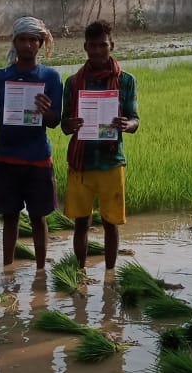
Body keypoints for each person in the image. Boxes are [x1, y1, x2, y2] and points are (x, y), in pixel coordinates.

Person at [59, 20, 139, 271]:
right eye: (92, 46)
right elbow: (63, 125)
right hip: (81, 163)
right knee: (81, 223)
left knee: (110, 223)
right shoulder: (73, 83)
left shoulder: (126, 81)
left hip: (111, 160)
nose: (97, 51)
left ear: (111, 45)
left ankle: (110, 274)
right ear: (85, 47)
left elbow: (135, 119)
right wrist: (70, 124)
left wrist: (127, 125)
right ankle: (80, 271)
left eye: (102, 45)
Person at [0, 16, 63, 268]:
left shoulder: (50, 77)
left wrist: (47, 110)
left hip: (38, 158)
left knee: (39, 218)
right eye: (22, 40)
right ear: (14, 43)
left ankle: (41, 269)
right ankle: (8, 268)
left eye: (33, 40)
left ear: (41, 43)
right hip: (7, 158)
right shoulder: (0, 77)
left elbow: (54, 122)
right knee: (10, 217)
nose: (27, 45)